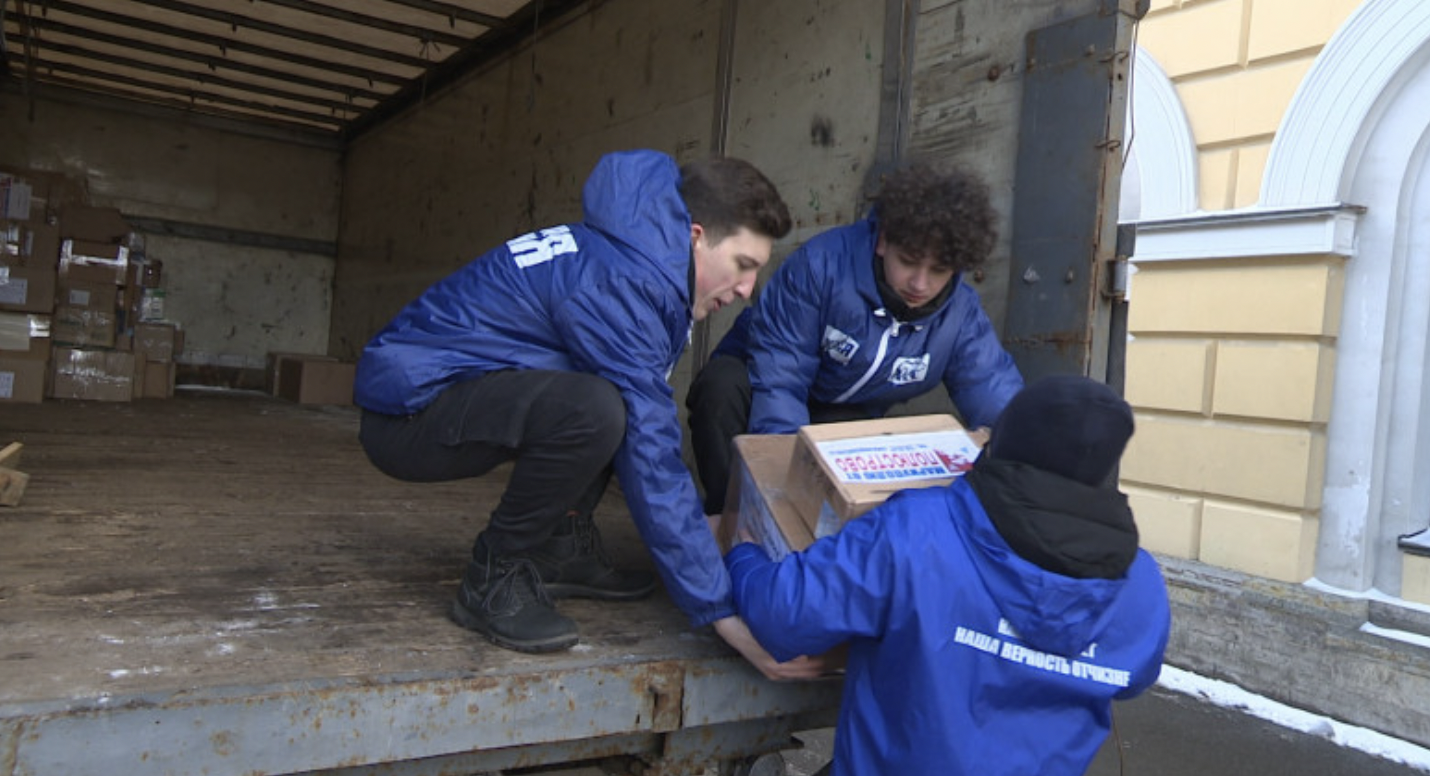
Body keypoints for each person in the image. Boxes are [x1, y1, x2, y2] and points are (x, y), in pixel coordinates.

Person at [354, 149, 823, 678]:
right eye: (743, 266)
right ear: (695, 236)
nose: (746, 291)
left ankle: (561, 547)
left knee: (609, 395)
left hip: (443, 393)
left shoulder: (635, 257)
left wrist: (704, 528)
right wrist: (721, 611)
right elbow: (651, 451)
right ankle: (493, 574)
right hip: (410, 413)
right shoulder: (622, 283)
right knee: (598, 410)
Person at [723, 375, 1171, 776]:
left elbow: (783, 613)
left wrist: (744, 552)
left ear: (1005, 444)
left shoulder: (921, 531)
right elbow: (1132, 678)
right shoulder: (1143, 587)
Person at [686, 162, 1024, 515]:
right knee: (720, 389)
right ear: (883, 241)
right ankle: (731, 526)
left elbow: (994, 391)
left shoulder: (962, 316)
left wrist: (1032, 465)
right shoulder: (820, 266)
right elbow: (780, 378)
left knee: (851, 436)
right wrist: (782, 495)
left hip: (842, 413)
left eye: (938, 270)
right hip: (759, 388)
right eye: (908, 262)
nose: (920, 284)